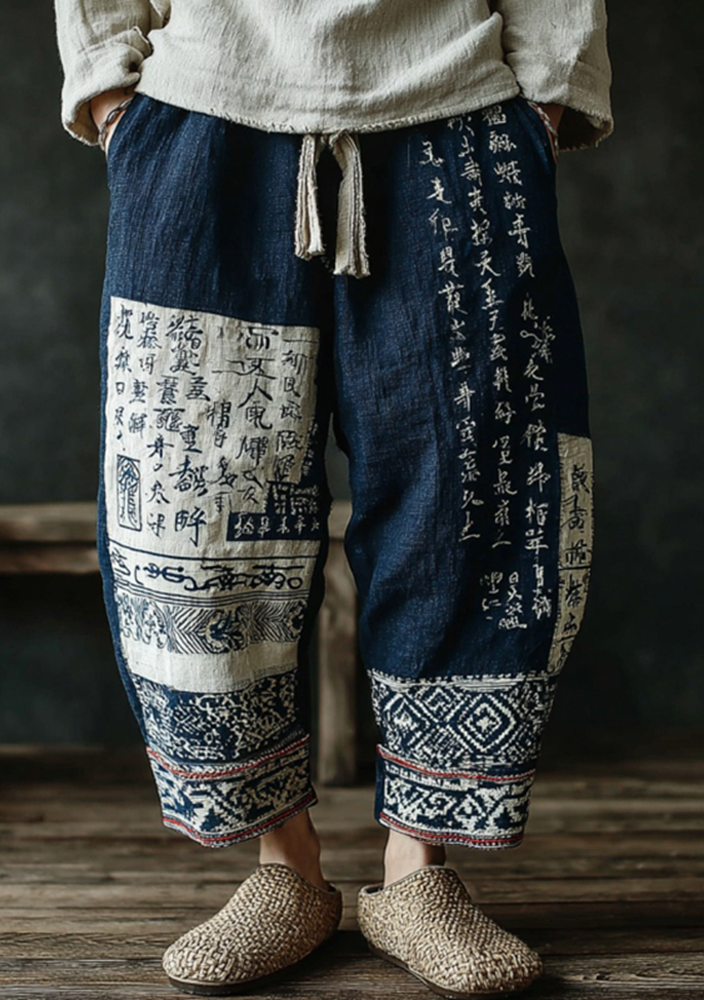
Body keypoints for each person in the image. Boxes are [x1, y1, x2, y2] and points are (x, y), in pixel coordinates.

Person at [53, 2, 612, 996]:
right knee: (202, 505)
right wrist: (109, 92)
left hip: (455, 100)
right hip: (202, 104)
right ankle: (286, 868)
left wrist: (547, 96)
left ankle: (417, 871)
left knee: (469, 495)